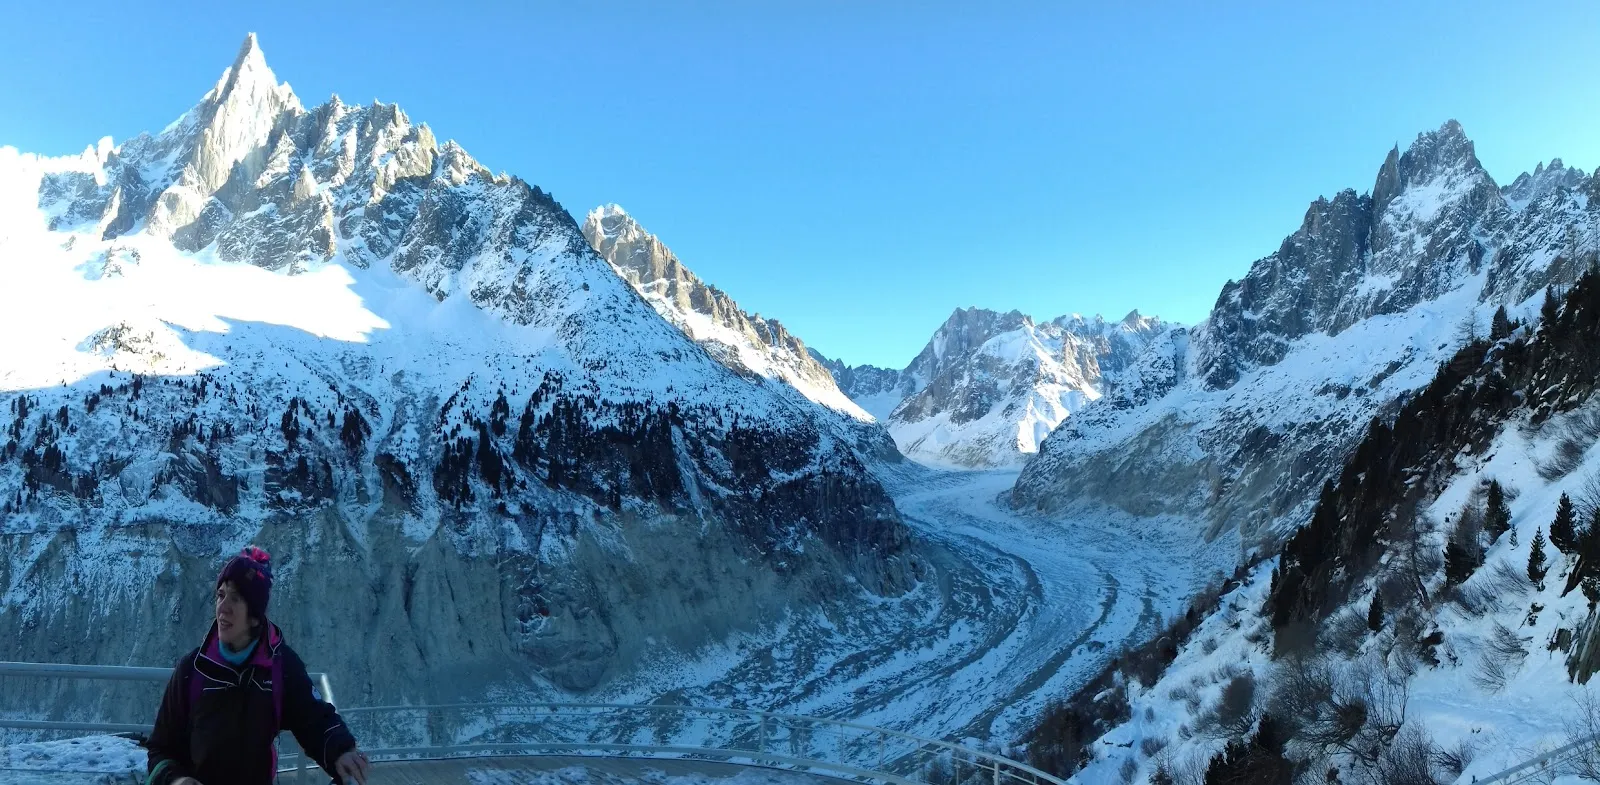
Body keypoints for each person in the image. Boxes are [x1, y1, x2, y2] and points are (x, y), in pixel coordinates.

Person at [145, 546, 372, 785]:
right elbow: (160, 749)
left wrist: (340, 750)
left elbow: (314, 718)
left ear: (254, 615)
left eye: (235, 598)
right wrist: (176, 781)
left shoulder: (280, 667)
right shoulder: (192, 670)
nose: (222, 607)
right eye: (220, 595)